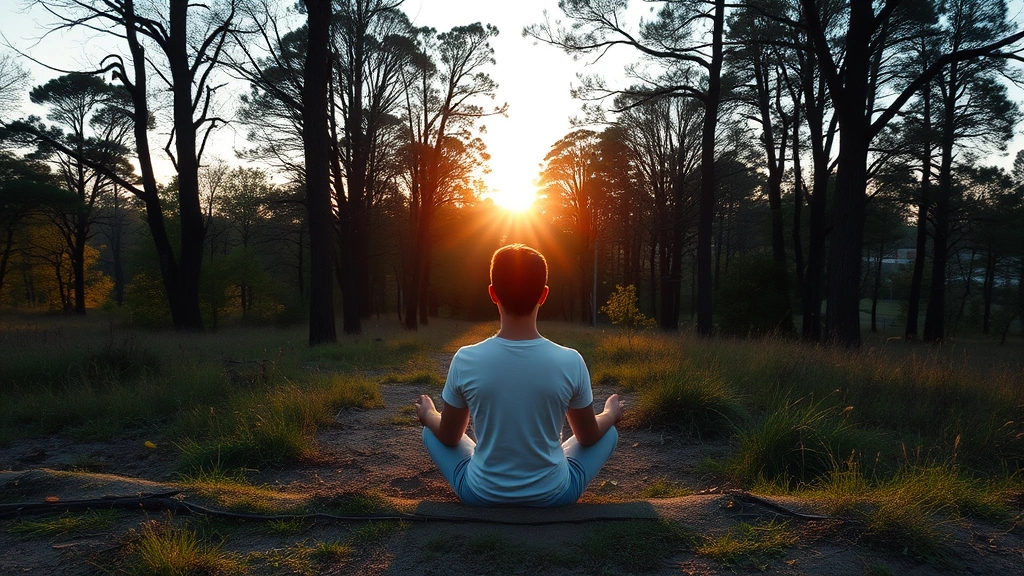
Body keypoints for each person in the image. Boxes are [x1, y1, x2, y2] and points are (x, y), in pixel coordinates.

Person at [415, 243, 622, 506]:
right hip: (554, 496)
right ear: (544, 295)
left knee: (430, 431)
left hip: (481, 495)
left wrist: (428, 413)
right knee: (609, 432)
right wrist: (611, 413)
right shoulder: (571, 360)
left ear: (492, 293)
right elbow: (588, 437)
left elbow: (449, 436)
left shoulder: (466, 358)